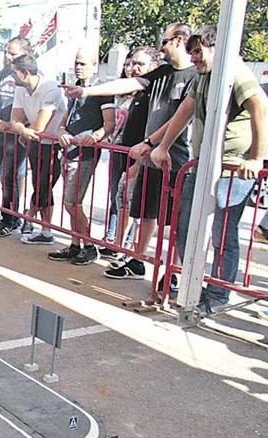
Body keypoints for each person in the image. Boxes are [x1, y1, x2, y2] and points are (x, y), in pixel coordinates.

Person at [64, 23, 197, 282]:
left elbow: (181, 119)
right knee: (145, 214)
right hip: (151, 156)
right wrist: (86, 90)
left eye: (165, 41)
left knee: (175, 222)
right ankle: (137, 261)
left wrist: (151, 143)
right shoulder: (162, 72)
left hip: (176, 159)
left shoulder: (194, 76)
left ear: (180, 40)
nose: (161, 47)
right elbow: (126, 84)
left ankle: (175, 274)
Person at [150, 25, 267, 314]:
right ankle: (193, 282)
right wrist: (161, 146)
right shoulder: (203, 77)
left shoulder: (236, 73)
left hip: (232, 169)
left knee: (222, 233)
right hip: (201, 165)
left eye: (199, 52)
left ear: (216, 48)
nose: (194, 59)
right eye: (191, 53)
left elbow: (259, 108)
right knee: (184, 224)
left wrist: (255, 158)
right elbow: (184, 112)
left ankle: (218, 293)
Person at [49, 47, 115, 265]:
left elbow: (109, 124)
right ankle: (76, 244)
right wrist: (61, 132)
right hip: (69, 151)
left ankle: (89, 245)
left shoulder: (102, 91)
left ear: (94, 65)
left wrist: (95, 136)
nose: (78, 67)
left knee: (72, 202)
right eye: (76, 63)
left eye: (83, 64)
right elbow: (65, 120)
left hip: (85, 155)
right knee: (71, 203)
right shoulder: (75, 90)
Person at [0, 53, 66, 245]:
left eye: (15, 73)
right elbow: (16, 118)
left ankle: (31, 218)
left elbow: (38, 127)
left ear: (25, 72)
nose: (12, 77)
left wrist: (21, 128)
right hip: (35, 144)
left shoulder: (50, 88)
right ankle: (44, 230)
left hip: (53, 145)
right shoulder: (21, 88)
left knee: (45, 186)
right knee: (41, 186)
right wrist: (21, 129)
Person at [103, 47, 159, 253]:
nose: (133, 68)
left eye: (139, 64)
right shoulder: (124, 94)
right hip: (118, 150)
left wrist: (138, 161)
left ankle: (127, 246)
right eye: (130, 63)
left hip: (138, 155)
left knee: (133, 203)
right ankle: (115, 241)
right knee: (118, 199)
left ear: (153, 67)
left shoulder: (151, 96)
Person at [0, 36, 32, 236]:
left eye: (12, 53)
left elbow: (33, 108)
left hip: (16, 134)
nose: (7, 56)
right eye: (6, 52)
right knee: (5, 175)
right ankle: (8, 215)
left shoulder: (27, 76)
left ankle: (11, 218)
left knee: (11, 175)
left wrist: (15, 126)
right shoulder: (0, 75)